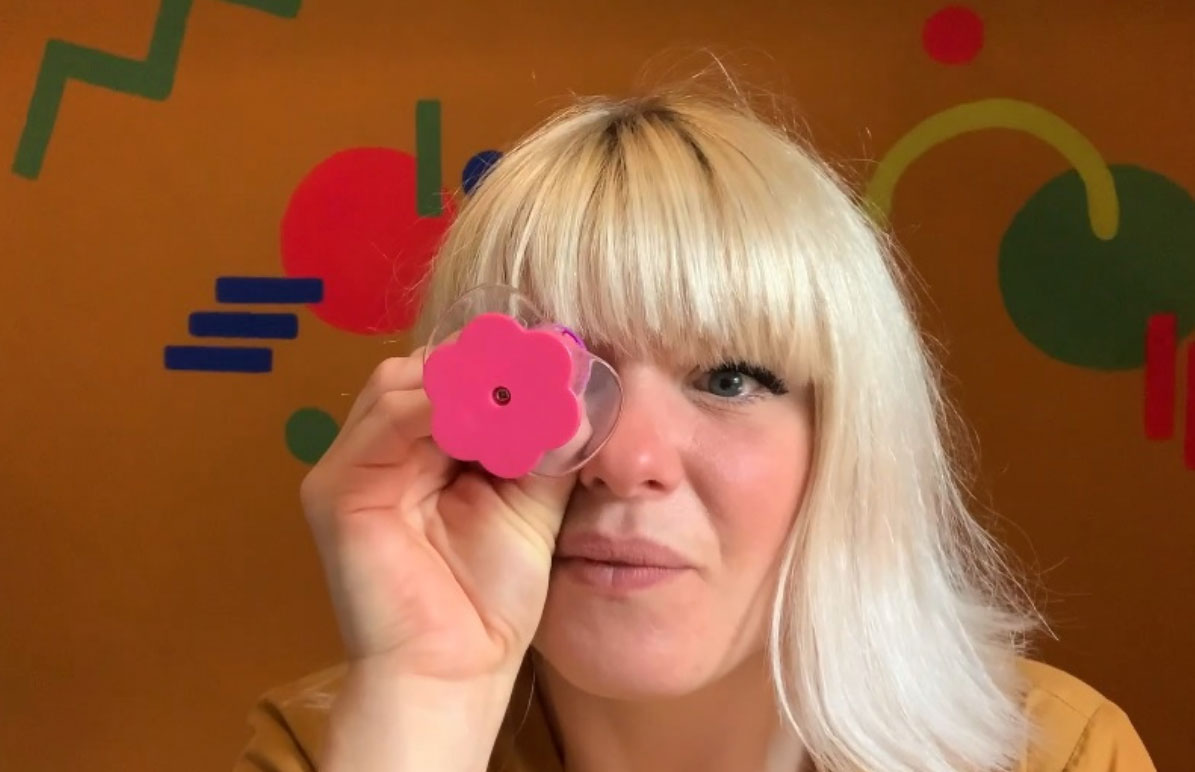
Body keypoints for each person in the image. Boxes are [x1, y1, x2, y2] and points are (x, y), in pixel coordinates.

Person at [232, 80, 1157, 771]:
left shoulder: (1052, 755)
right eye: (562, 376)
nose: (626, 460)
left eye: (729, 377)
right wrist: (429, 699)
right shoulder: (341, 749)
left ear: (846, 440)